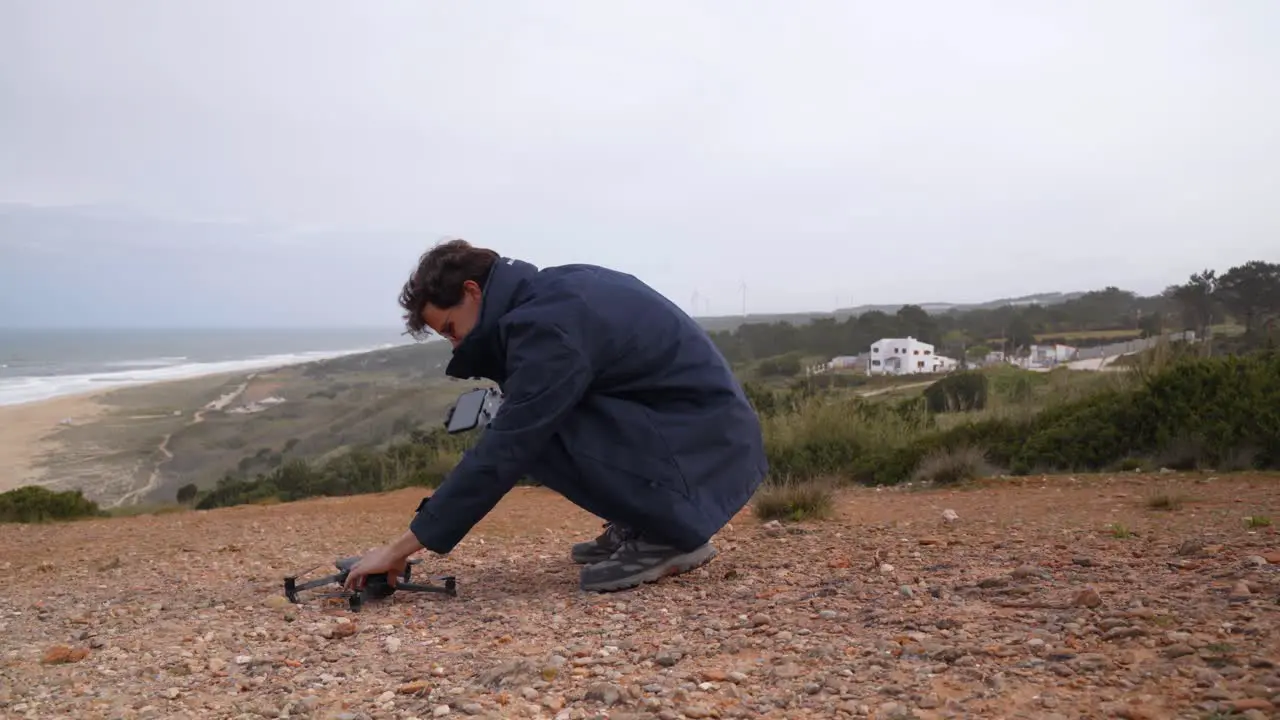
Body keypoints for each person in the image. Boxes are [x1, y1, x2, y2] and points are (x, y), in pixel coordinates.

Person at [343, 239, 768, 593]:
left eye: (452, 329)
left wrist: (400, 548)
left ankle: (671, 534)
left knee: (530, 431)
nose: (455, 346)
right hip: (707, 440)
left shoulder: (549, 326)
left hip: (701, 451)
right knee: (534, 417)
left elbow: (509, 444)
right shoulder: (555, 291)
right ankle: (646, 520)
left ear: (473, 292)